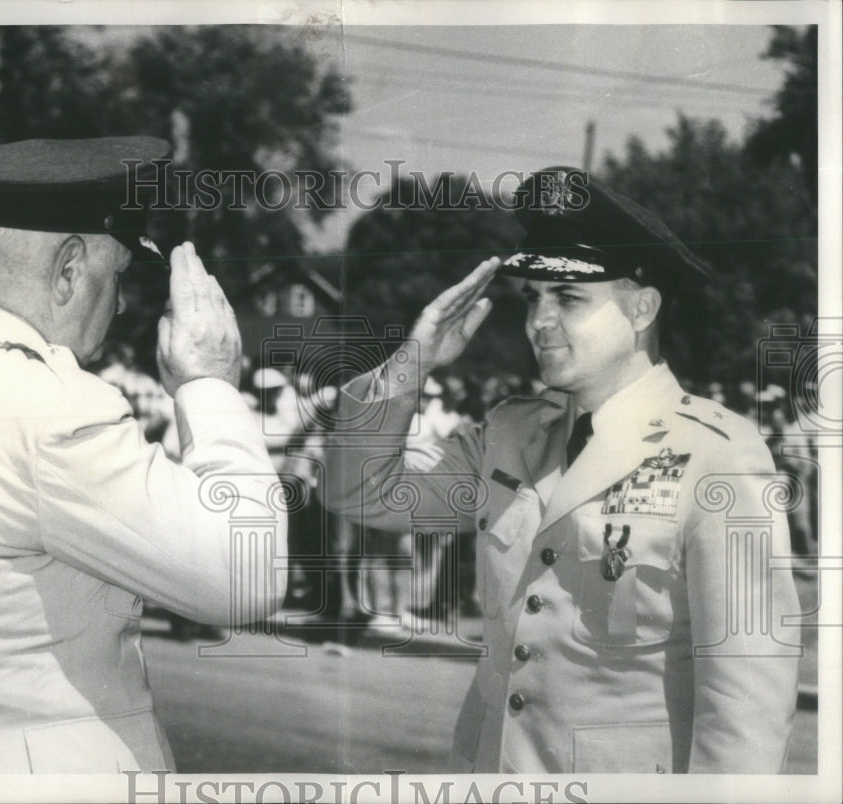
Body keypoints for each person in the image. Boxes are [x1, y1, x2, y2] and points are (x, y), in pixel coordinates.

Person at [322, 167, 801, 773]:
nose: (539, 320)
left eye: (569, 298)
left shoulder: (720, 456)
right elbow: (358, 492)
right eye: (533, 297)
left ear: (642, 309)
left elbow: (745, 700)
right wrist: (413, 361)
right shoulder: (511, 433)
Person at [0, 137, 287, 773]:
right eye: (115, 276)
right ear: (68, 271)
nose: (119, 303)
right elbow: (247, 573)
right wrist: (209, 383)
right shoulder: (49, 403)